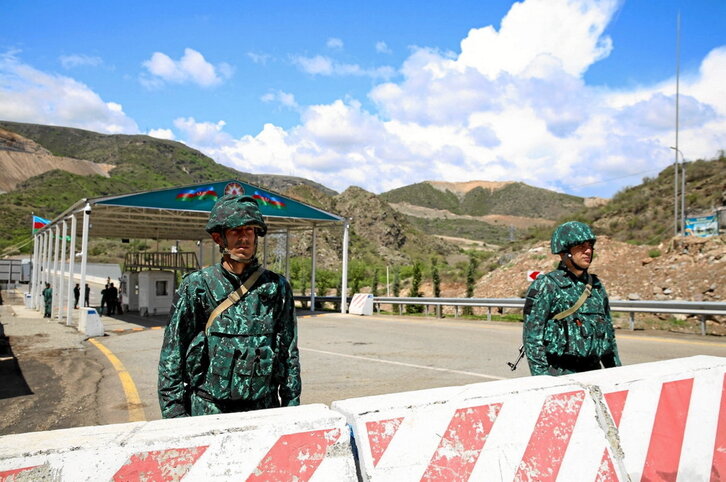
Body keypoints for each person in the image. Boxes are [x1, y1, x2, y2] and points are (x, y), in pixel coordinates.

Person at [158, 195, 301, 418]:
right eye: (236, 231)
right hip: (209, 409)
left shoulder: (276, 287)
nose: (244, 238)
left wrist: (291, 405)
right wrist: (174, 414)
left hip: (263, 409)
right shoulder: (198, 285)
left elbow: (288, 352)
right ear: (219, 237)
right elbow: (172, 353)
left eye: (250, 231)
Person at [523, 221, 621, 376]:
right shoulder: (547, 285)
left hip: (595, 374)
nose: (588, 251)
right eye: (581, 246)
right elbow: (533, 339)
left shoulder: (596, 286)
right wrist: (542, 381)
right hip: (560, 375)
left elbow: (609, 338)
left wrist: (617, 375)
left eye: (590, 246)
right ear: (565, 251)